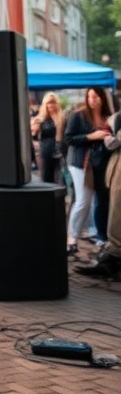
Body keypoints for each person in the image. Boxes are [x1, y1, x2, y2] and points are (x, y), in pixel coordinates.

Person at [63, 86, 112, 255]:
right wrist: (92, 136)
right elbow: (68, 138)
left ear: (102, 98)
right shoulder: (78, 115)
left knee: (103, 200)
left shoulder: (109, 116)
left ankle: (102, 237)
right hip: (81, 162)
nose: (92, 100)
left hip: (102, 162)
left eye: (95, 97)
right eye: (89, 97)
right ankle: (72, 239)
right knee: (83, 200)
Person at [76, 101, 121, 279]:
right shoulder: (117, 117)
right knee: (114, 214)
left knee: (117, 216)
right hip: (115, 169)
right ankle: (112, 258)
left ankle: (112, 260)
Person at [30, 92, 65, 184]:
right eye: (49, 102)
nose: (51, 105)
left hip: (61, 152)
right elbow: (34, 135)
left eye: (53, 102)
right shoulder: (41, 119)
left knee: (60, 180)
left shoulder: (62, 118)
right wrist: (34, 127)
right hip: (46, 151)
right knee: (46, 178)